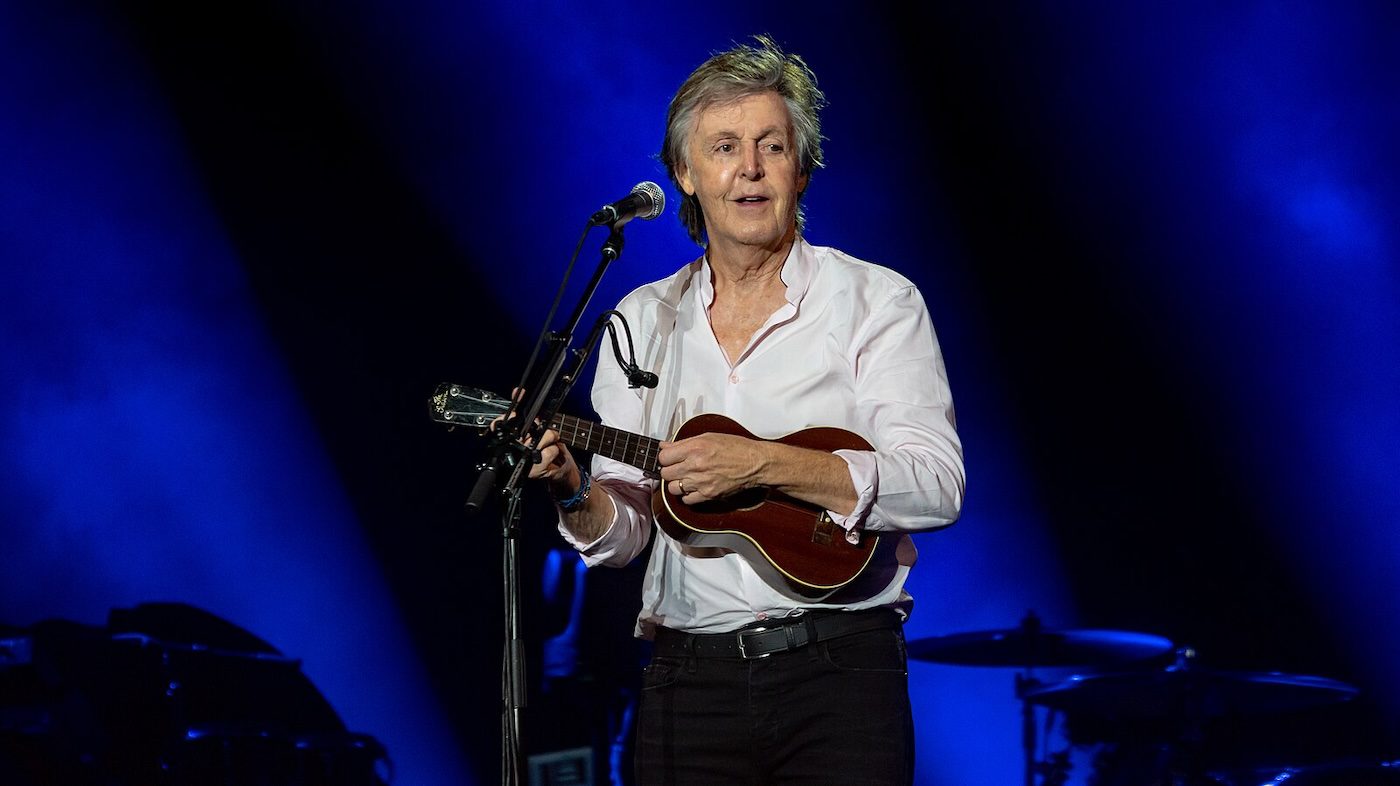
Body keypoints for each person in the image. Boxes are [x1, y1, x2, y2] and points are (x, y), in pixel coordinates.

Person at [525, 35, 964, 785]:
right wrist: (573, 489)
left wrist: (762, 462)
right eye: (725, 147)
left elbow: (935, 485)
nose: (750, 169)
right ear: (686, 174)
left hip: (841, 673)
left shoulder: (877, 302)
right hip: (686, 682)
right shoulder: (639, 320)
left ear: (802, 167)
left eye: (772, 146)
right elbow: (626, 535)